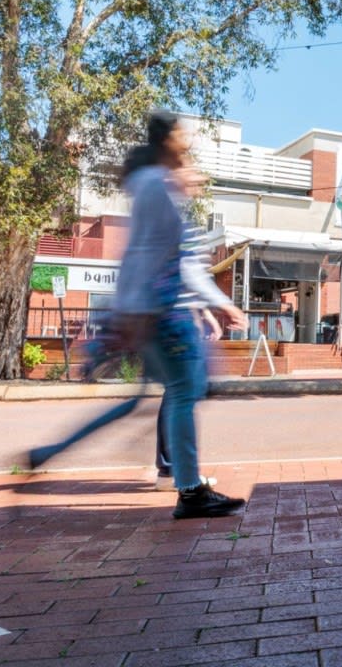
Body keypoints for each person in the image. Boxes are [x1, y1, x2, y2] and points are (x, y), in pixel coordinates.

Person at [114, 110, 246, 518]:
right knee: (185, 392)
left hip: (159, 308)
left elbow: (167, 257)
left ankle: (185, 482)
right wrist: (218, 302)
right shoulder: (157, 185)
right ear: (168, 139)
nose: (187, 141)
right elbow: (162, 258)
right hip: (161, 310)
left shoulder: (155, 185)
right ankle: (187, 487)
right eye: (182, 135)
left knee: (183, 390)